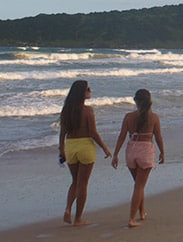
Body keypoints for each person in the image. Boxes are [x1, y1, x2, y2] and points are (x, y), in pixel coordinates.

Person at [59, 80, 111, 226]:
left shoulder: (66, 110)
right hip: (85, 147)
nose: (90, 91)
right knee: (83, 184)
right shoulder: (88, 110)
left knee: (74, 181)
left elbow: (62, 132)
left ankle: (68, 209)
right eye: (88, 89)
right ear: (82, 92)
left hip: (70, 147)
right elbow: (93, 132)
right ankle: (78, 219)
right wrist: (104, 148)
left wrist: (61, 149)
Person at [112, 89, 165, 228]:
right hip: (145, 150)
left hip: (131, 150)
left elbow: (122, 136)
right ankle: (131, 218)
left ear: (135, 101)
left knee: (138, 184)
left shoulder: (128, 117)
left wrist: (116, 154)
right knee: (139, 186)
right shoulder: (154, 117)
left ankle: (142, 212)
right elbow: (158, 137)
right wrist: (162, 152)